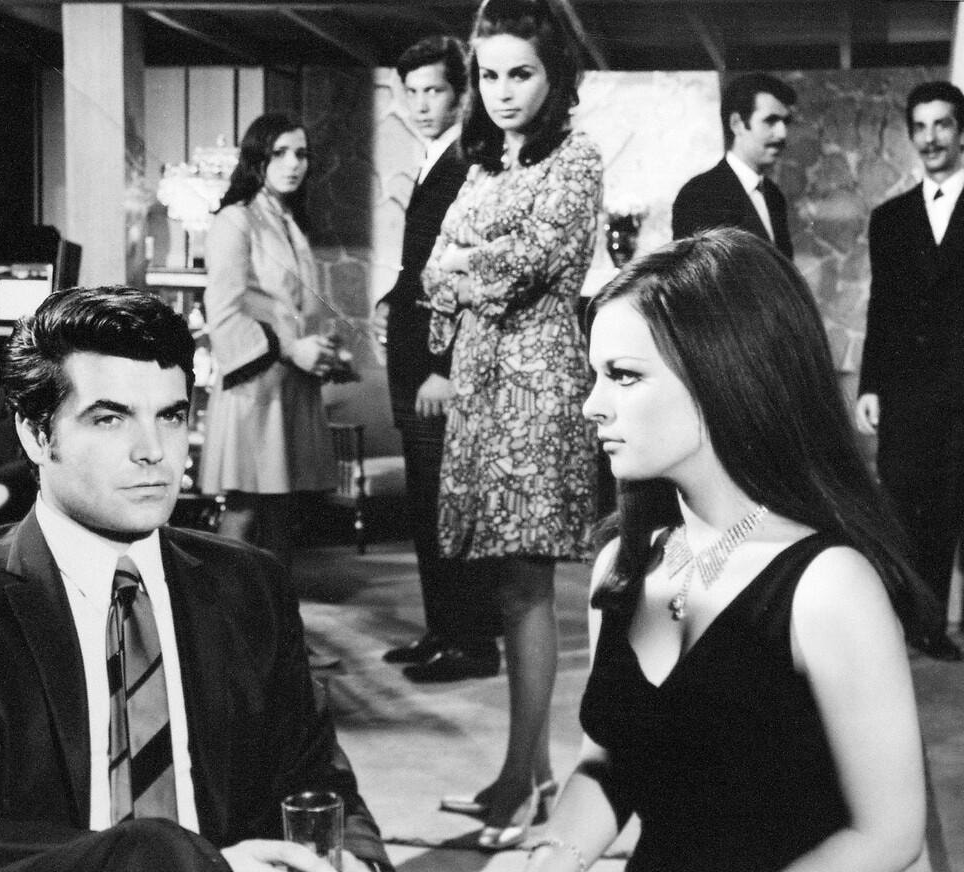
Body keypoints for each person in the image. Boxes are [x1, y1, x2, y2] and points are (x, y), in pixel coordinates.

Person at [0, 287, 392, 872]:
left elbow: (316, 783)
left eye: (171, 416)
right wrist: (178, 865)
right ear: (35, 435)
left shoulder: (250, 583)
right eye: (110, 418)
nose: (153, 452)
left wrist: (353, 860)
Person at [527, 228, 934, 872]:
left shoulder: (829, 586)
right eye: (595, 377)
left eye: (623, 376)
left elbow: (887, 835)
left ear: (721, 375)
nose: (590, 406)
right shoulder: (622, 566)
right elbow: (607, 763)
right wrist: (551, 857)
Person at [422, 0, 602, 849]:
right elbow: (433, 273)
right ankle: (523, 773)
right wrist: (465, 268)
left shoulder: (577, 157)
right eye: (489, 74)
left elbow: (529, 262)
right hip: (480, 387)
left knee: (528, 585)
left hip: (537, 390)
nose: (502, 91)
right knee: (504, 585)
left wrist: (467, 265)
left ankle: (526, 787)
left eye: (520, 73)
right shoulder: (485, 165)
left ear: (553, 75)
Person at [373, 34, 502, 683]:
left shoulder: (468, 163)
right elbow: (421, 266)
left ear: (458, 96)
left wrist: (444, 369)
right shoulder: (433, 159)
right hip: (411, 358)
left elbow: (466, 273)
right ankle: (443, 629)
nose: (423, 104)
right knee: (426, 505)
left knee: (451, 507)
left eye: (435, 91)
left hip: (437, 368)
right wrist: (389, 302)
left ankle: (471, 642)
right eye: (413, 92)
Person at [199, 113, 338, 576]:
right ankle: (221, 616)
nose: (293, 164)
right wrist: (291, 349)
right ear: (257, 159)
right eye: (280, 153)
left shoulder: (288, 222)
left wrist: (322, 350)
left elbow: (292, 305)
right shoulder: (236, 220)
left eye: (301, 154)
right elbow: (223, 313)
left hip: (289, 385)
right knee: (245, 507)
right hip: (255, 384)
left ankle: (278, 619)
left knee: (281, 512)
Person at [855, 80, 964, 662]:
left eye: (941, 124)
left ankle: (932, 628)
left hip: (961, 392)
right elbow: (881, 308)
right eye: (920, 127)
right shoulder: (890, 218)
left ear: (961, 132)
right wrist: (869, 385)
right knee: (899, 511)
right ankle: (901, 626)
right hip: (904, 391)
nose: (930, 138)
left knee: (948, 510)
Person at [671, 72, 795, 258]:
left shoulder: (773, 195)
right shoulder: (699, 195)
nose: (782, 133)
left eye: (786, 122)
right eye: (770, 120)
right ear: (737, 124)